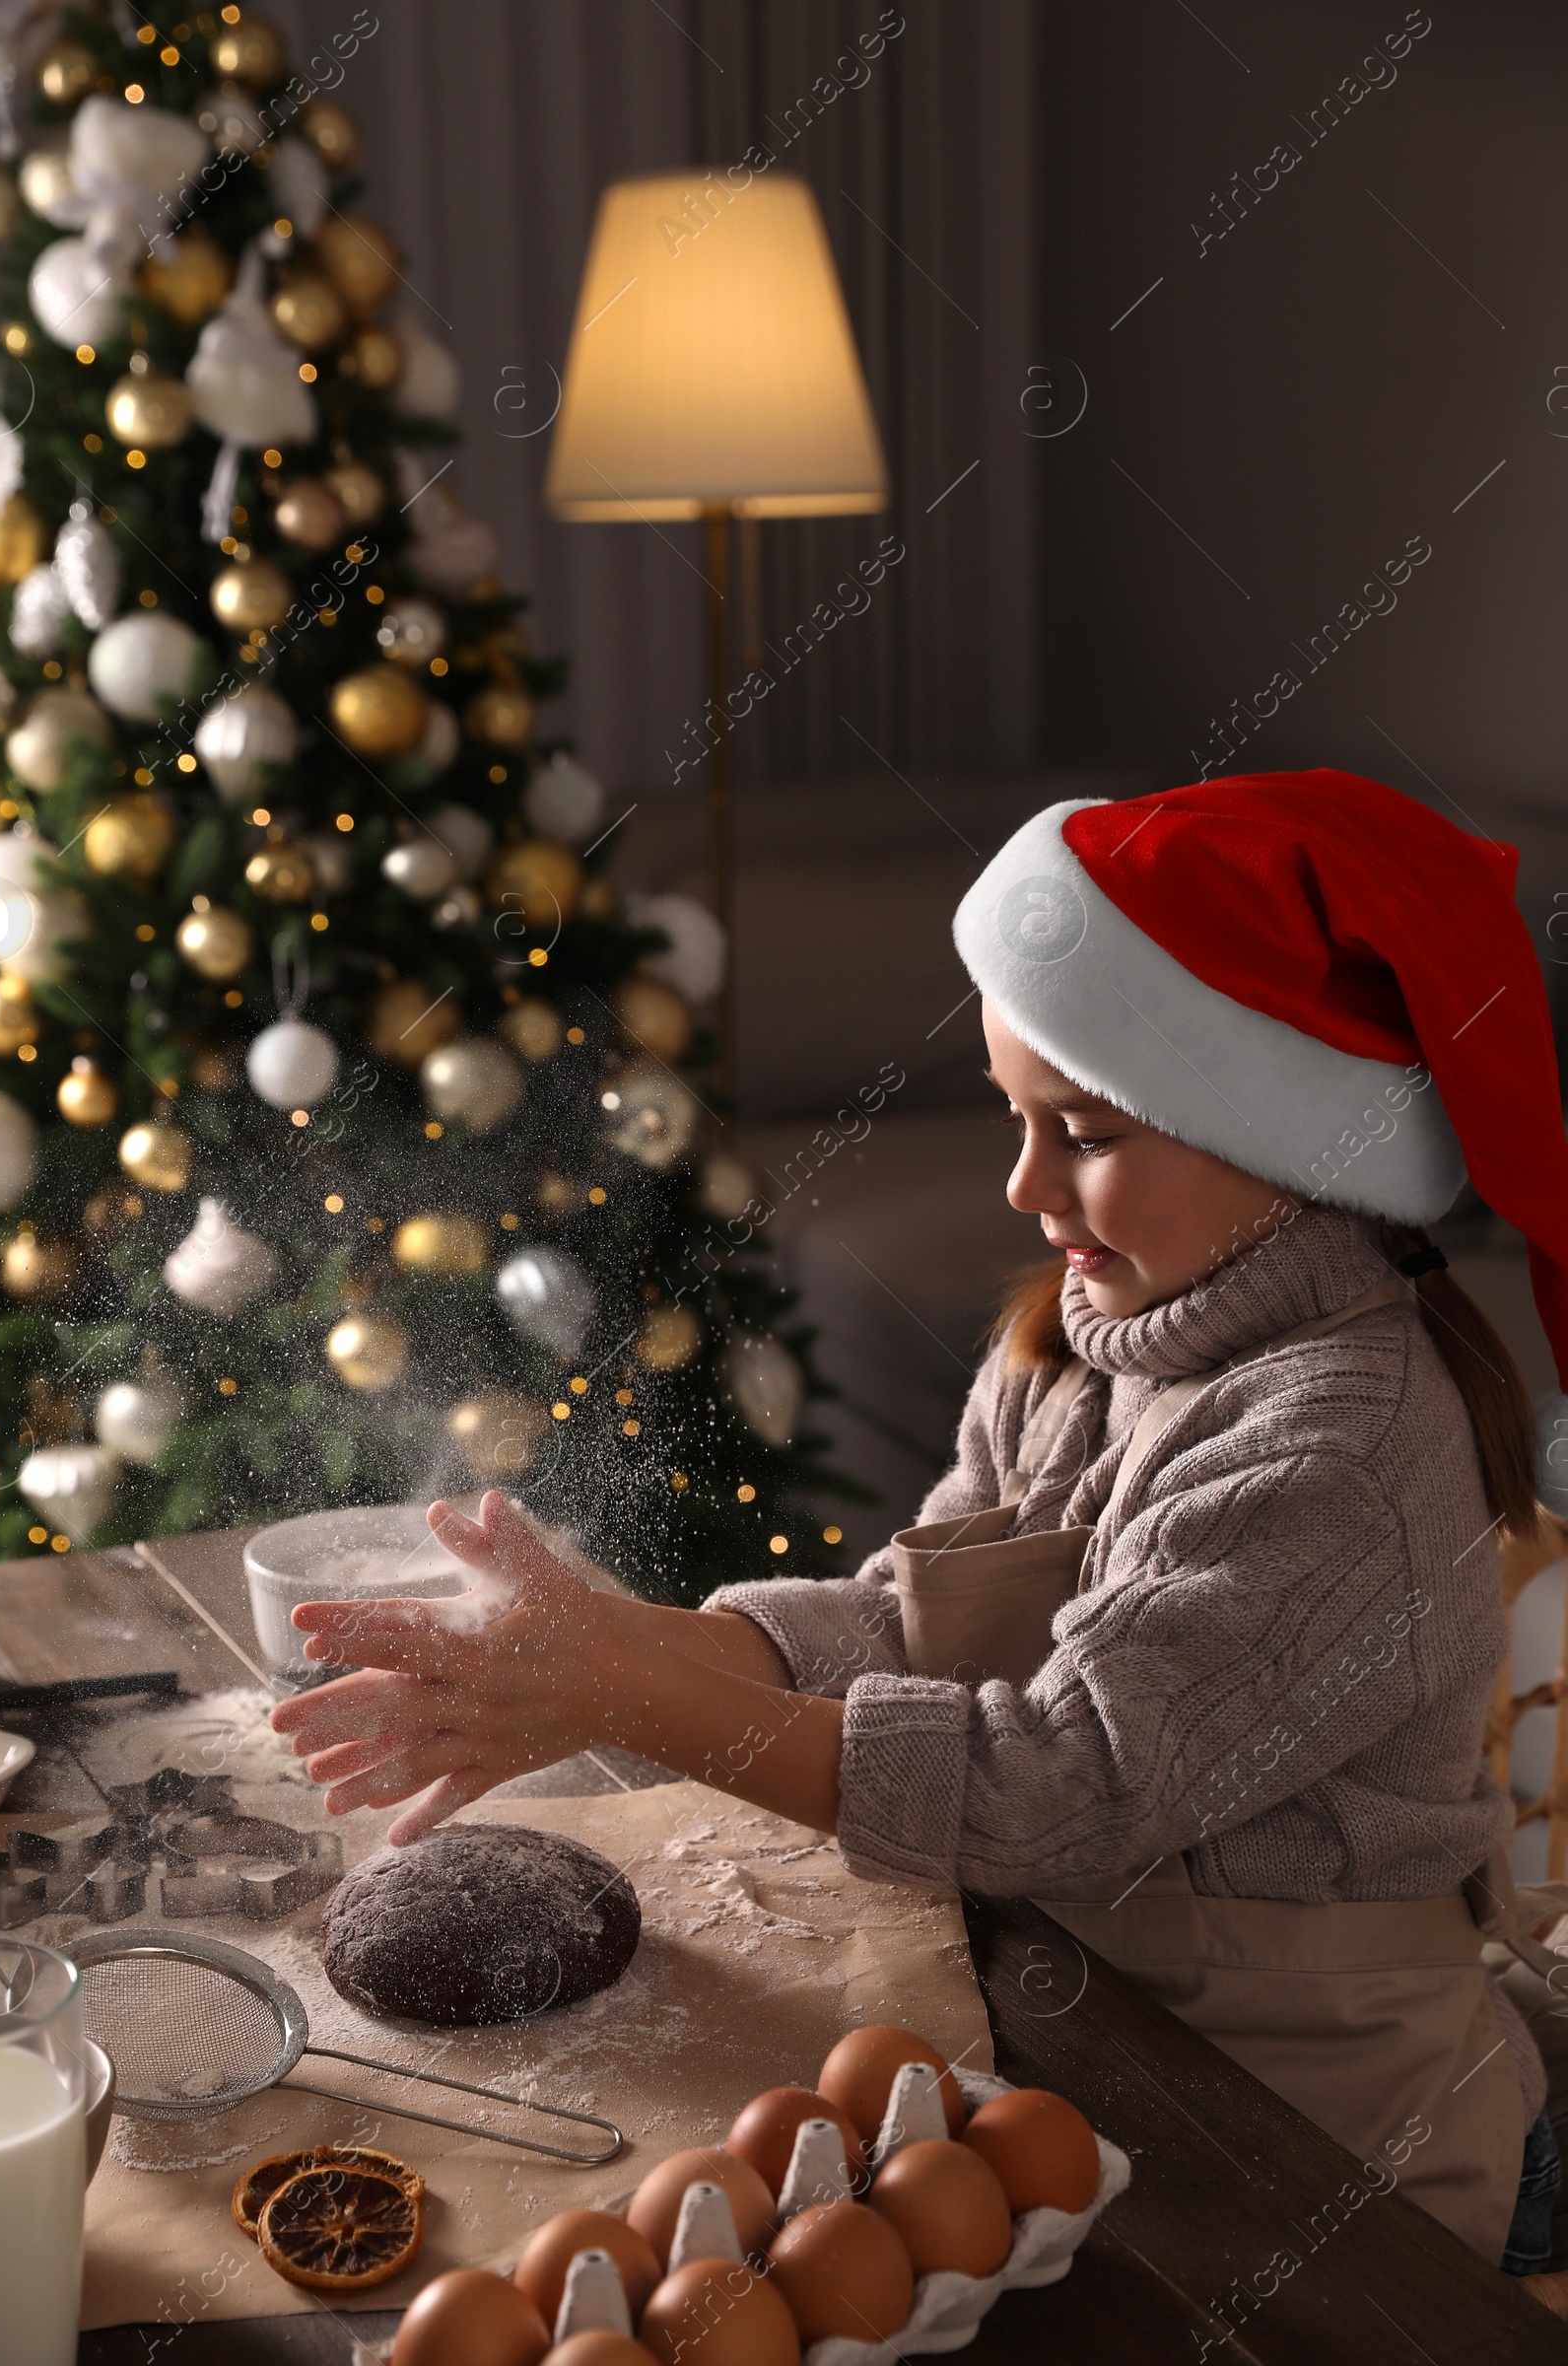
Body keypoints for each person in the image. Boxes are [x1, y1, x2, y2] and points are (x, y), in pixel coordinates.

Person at [272, 768, 1568, 2280]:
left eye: (1079, 1131)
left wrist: (641, 1700)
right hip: (1100, 2015)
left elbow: (1047, 1785)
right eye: (1016, 1119)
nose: (1026, 1186)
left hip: (1332, 2137)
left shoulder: (1342, 1449)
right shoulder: (1085, 1334)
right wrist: (629, 1641)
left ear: (1290, 1142)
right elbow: (906, 1616)